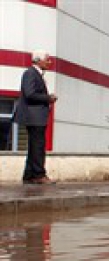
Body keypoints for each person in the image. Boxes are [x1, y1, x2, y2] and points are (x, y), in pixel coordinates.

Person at [13, 50, 57, 184]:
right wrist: (48, 98)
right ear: (39, 60)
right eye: (47, 60)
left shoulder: (36, 74)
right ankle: (39, 175)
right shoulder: (30, 73)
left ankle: (29, 175)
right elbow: (30, 93)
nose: (49, 62)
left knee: (34, 146)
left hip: (35, 115)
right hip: (34, 116)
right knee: (38, 146)